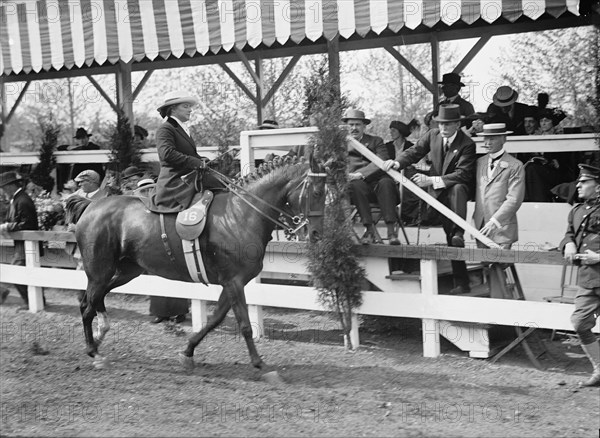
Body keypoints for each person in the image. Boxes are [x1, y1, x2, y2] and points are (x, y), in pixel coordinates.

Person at [383, 104, 476, 293]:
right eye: (441, 123)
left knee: (454, 222)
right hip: (437, 193)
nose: (443, 128)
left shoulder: (467, 144)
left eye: (448, 124)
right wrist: (397, 162)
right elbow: (415, 151)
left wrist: (431, 180)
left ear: (457, 124)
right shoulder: (432, 135)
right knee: (448, 234)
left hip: (454, 190)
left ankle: (459, 234)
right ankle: (463, 282)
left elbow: (463, 174)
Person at [473, 124, 525, 298]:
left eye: (492, 138)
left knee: (498, 268)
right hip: (481, 226)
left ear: (504, 139)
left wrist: (494, 221)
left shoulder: (515, 165)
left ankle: (503, 313)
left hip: (501, 228)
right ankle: (493, 312)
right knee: (487, 269)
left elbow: (514, 199)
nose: (487, 142)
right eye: (485, 138)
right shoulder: (479, 162)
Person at [560, 164, 600, 387]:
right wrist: (567, 244)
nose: (578, 185)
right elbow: (568, 233)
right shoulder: (576, 211)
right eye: (579, 181)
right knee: (580, 323)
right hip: (588, 280)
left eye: (584, 182)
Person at [152, 90, 223, 211]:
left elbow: (187, 154)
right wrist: (196, 162)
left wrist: (202, 160)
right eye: (186, 106)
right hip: (175, 183)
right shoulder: (165, 129)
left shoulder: (181, 128)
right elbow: (167, 154)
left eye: (190, 107)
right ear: (173, 109)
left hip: (188, 179)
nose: (190, 110)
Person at [344, 109, 399, 245]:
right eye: (351, 125)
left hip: (377, 185)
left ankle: (391, 232)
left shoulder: (376, 141)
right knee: (355, 185)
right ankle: (369, 230)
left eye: (357, 125)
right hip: (357, 190)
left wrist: (360, 174)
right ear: (346, 126)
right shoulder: (342, 145)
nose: (354, 128)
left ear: (364, 126)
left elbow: (382, 161)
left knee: (386, 182)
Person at [0, 171, 45, 309]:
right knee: (21, 272)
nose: (2, 191)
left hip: (28, 244)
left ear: (10, 186)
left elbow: (28, 223)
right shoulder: (17, 199)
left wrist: (8, 226)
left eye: (3, 188)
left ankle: (32, 301)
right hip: (21, 244)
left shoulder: (23, 200)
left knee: (16, 272)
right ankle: (35, 300)